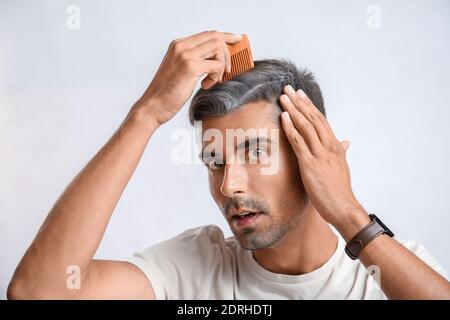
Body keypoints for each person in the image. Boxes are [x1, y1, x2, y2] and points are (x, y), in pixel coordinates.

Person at [7, 30, 450, 300]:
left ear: (314, 153)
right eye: (214, 161)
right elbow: (37, 292)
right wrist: (147, 114)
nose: (228, 186)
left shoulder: (390, 273)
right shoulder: (194, 269)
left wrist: (351, 215)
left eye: (255, 151)